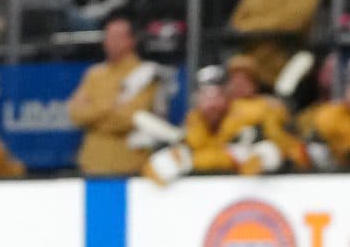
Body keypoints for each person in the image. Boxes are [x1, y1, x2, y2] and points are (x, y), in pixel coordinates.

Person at [144, 59, 309, 182]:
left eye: (217, 96)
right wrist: (170, 160)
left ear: (229, 96)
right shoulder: (194, 120)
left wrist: (275, 155)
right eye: (205, 97)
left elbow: (286, 148)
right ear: (197, 99)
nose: (211, 105)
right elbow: (199, 151)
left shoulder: (255, 113)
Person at [68, 15, 163, 176]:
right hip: (92, 164)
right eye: (108, 36)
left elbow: (132, 118)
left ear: (131, 41)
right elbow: (75, 114)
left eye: (117, 37)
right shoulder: (94, 74)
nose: (110, 41)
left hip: (131, 165)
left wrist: (94, 114)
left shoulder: (145, 74)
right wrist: (111, 107)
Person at [228, 0, 323, 94]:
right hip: (252, 57)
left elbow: (294, 22)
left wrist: (251, 27)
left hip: (290, 54)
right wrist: (254, 27)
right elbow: (237, 21)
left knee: (294, 72)